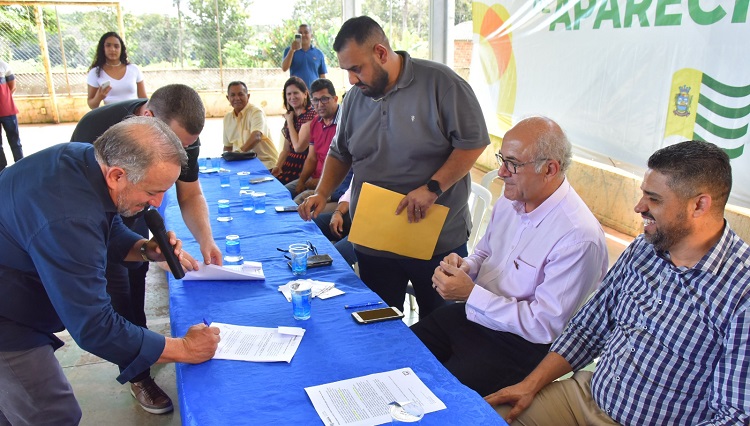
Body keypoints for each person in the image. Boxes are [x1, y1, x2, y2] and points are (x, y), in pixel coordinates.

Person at [486, 141, 750, 425]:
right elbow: (588, 328)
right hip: (586, 396)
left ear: (699, 205)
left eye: (654, 199)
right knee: (487, 419)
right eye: (643, 194)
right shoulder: (645, 248)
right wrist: (529, 385)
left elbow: (734, 416)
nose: (639, 207)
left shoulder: (741, 293)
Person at [0, 117, 220, 425]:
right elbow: (94, 327)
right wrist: (184, 349)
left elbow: (105, 223)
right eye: (153, 191)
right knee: (52, 414)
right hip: (7, 315)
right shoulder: (69, 216)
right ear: (117, 175)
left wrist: (143, 248)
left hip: (15, 284)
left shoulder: (86, 158)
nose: (156, 203)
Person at [299, 16, 490, 318]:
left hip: (435, 241)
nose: (351, 79)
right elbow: (340, 152)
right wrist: (322, 193)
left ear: (381, 53)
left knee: (440, 326)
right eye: (346, 70)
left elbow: (473, 143)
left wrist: (432, 188)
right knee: (378, 321)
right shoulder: (355, 99)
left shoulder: (442, 84)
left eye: (356, 68)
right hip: (375, 239)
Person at [410, 117, 609, 397]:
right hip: (475, 315)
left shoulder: (578, 237)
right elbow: (485, 252)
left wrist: (470, 294)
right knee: (401, 352)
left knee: (439, 397)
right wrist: (465, 267)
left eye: (513, 163)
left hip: (520, 344)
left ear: (549, 169)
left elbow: (543, 326)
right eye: (502, 159)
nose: (501, 172)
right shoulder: (511, 198)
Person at [71, 84, 221, 414]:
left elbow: (190, 193)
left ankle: (143, 347)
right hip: (99, 221)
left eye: (187, 147)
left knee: (136, 280)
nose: (182, 151)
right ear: (149, 118)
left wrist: (204, 240)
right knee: (118, 296)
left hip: (131, 211)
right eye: (176, 143)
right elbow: (92, 325)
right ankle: (138, 375)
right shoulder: (95, 131)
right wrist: (184, 349)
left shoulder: (182, 135)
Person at [284, 78, 347, 203]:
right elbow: (311, 158)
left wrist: (320, 182)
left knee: (297, 204)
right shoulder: (315, 122)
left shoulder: (345, 123)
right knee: (281, 193)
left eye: (324, 99)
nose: (320, 104)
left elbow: (346, 166)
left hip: (334, 184)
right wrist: (302, 181)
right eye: (316, 100)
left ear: (335, 99)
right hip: (314, 179)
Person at [222, 81, 278, 169]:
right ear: (228, 98)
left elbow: (256, 137)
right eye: (232, 95)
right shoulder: (227, 118)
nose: (237, 98)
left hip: (263, 163)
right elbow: (227, 147)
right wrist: (226, 161)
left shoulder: (256, 112)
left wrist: (238, 154)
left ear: (248, 96)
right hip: (241, 165)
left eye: (240, 94)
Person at [272, 76, 315, 185]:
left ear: (305, 94)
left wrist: (290, 122)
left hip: (303, 167)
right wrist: (278, 166)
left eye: (296, 93)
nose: (292, 97)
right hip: (289, 165)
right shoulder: (291, 115)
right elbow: (286, 149)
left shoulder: (311, 115)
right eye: (289, 94)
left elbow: (298, 147)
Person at [87, 32, 146, 109]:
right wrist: (98, 97)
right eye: (108, 45)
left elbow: (143, 99)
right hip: (111, 114)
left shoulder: (134, 69)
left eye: (116, 46)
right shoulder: (95, 72)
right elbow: (92, 105)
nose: (112, 49)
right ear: (103, 48)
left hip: (133, 114)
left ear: (121, 49)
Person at [313, 180, 357, 266]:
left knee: (336, 257)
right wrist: (338, 213)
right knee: (309, 223)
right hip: (351, 215)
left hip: (372, 227)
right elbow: (352, 190)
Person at [281, 24, 328, 90]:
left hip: (314, 91)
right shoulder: (289, 50)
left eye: (306, 32)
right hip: (296, 91)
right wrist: (292, 50)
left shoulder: (318, 53)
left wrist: (323, 90)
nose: (303, 35)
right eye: (300, 33)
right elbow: (284, 68)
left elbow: (322, 75)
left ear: (311, 35)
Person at [0, 59, 22, 172]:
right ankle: (3, 168)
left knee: (14, 140)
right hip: (7, 109)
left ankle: (20, 164)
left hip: (7, 110)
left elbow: (12, 87)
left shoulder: (3, 65)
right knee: (14, 141)